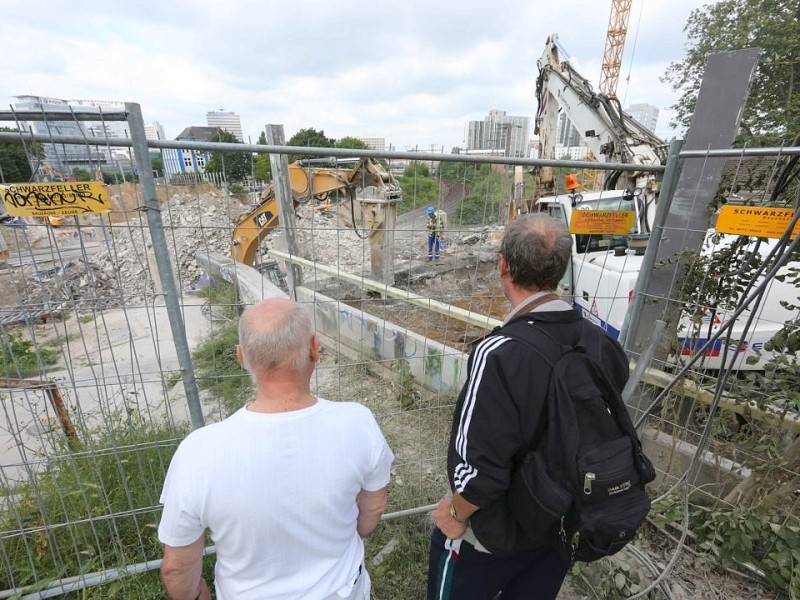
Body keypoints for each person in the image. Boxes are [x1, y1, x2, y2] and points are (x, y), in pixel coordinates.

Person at [427, 214, 629, 600]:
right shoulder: (602, 344)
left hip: (495, 534)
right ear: (562, 267)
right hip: (563, 524)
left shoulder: (498, 354)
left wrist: (454, 515)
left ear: (503, 265)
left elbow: (480, 472)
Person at [158, 298, 394, 600]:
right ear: (314, 348)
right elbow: (373, 507)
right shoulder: (358, 422)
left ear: (242, 357)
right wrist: (341, 539)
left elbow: (176, 569)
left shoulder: (198, 452)